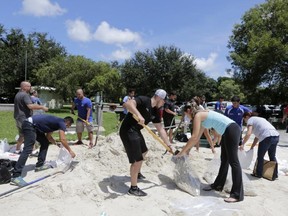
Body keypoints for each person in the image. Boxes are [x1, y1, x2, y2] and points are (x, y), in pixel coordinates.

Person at [177, 102, 244, 203]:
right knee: (224, 160)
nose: (186, 117)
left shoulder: (198, 116)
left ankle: (237, 194)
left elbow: (194, 137)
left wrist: (182, 152)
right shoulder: (202, 116)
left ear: (188, 111)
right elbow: (197, 137)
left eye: (185, 115)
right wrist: (187, 151)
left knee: (233, 162)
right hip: (227, 131)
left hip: (232, 130)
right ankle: (218, 185)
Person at [119, 89, 173, 196]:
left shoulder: (156, 111)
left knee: (144, 151)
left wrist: (169, 144)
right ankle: (133, 188)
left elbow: (160, 129)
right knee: (137, 159)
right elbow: (129, 104)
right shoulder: (144, 100)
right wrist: (138, 114)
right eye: (163, 101)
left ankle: (137, 172)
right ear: (159, 98)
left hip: (136, 130)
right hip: (128, 130)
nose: (163, 104)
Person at [10, 115, 76, 187]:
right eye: (69, 125)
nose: (67, 127)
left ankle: (39, 165)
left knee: (45, 142)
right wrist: (70, 151)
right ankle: (15, 176)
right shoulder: (62, 123)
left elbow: (48, 137)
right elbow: (62, 139)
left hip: (34, 126)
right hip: (30, 125)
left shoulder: (55, 123)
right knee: (28, 149)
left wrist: (56, 144)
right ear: (67, 122)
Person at [241, 112, 279, 178]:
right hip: (276, 135)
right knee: (272, 156)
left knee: (260, 156)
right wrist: (252, 147)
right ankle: (274, 174)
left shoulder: (250, 120)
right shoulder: (260, 119)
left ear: (246, 117)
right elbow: (257, 137)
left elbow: (248, 133)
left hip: (267, 136)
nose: (245, 121)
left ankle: (258, 174)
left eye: (244, 119)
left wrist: (242, 144)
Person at [14, 81, 48, 154]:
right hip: (24, 118)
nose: (30, 88)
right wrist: (42, 107)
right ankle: (33, 151)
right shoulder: (25, 95)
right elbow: (30, 106)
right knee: (30, 134)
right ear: (24, 87)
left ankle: (17, 149)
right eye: (29, 86)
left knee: (22, 134)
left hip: (18, 117)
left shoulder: (18, 94)